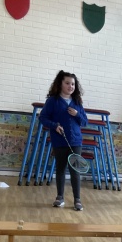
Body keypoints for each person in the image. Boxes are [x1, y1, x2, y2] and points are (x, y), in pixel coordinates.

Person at [39, 70, 88, 211]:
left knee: (75, 171)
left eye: (73, 84)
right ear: (60, 84)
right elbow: (42, 118)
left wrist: (77, 114)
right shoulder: (52, 101)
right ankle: (59, 197)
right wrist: (54, 126)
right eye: (67, 83)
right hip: (59, 142)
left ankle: (77, 200)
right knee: (60, 169)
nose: (70, 86)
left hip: (76, 142)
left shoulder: (77, 102)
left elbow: (85, 122)